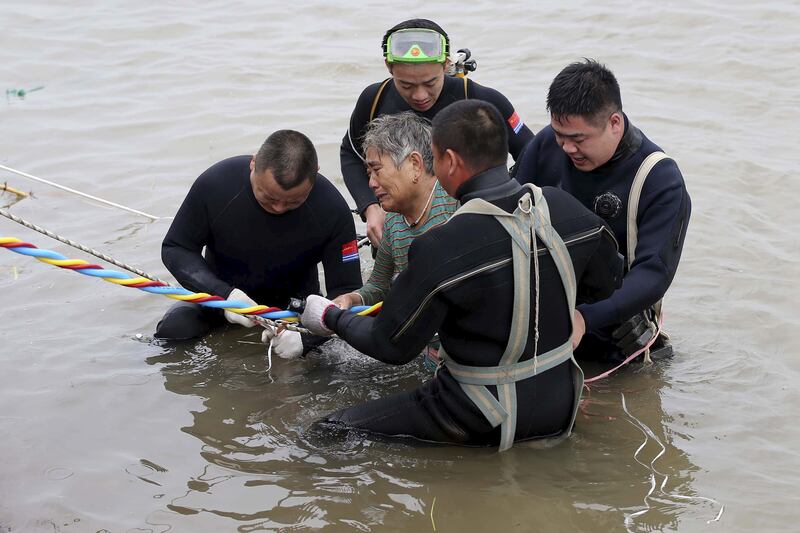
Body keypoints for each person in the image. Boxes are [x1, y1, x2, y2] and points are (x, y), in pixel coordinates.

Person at [302, 100, 623, 450]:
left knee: (332, 428)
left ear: (450, 161)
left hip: (480, 415)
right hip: (560, 405)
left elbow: (389, 345)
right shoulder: (565, 208)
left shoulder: (441, 244)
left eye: (436, 158)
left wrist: (329, 316)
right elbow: (608, 281)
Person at [514, 59, 691, 363]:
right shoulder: (547, 144)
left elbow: (654, 273)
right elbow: (508, 210)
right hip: (544, 318)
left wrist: (585, 318)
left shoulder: (659, 179)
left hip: (615, 336)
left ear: (614, 123)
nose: (567, 148)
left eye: (578, 139)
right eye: (560, 135)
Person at [156, 130, 362, 358]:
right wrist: (225, 296)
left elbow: (346, 293)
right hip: (220, 301)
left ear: (315, 174)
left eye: (294, 201)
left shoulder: (332, 209)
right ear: (253, 164)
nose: (279, 208)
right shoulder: (216, 184)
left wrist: (306, 338)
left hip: (293, 312)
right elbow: (176, 248)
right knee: (174, 331)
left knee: (327, 358)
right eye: (269, 197)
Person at [341, 18, 534, 248]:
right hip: (398, 235)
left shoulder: (483, 101)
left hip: (472, 231)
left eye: (430, 82)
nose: (420, 95)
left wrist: (504, 206)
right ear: (388, 67)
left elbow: (533, 153)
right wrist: (370, 207)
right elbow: (350, 154)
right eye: (406, 85)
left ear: (446, 64)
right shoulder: (374, 100)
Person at [332, 112, 458, 310]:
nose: (371, 184)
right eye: (368, 173)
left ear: (415, 165)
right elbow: (378, 287)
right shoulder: (393, 221)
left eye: (377, 170)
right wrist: (349, 299)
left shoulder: (457, 201)